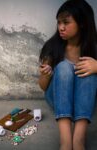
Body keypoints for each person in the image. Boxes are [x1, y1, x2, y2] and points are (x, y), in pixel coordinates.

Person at [38, 0, 97, 150]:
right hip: (57, 98)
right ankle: (65, 141)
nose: (61, 28)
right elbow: (44, 87)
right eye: (59, 23)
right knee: (64, 67)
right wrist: (46, 74)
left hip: (83, 100)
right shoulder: (53, 47)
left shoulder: (93, 47)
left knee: (88, 69)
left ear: (82, 23)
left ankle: (78, 141)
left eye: (66, 22)